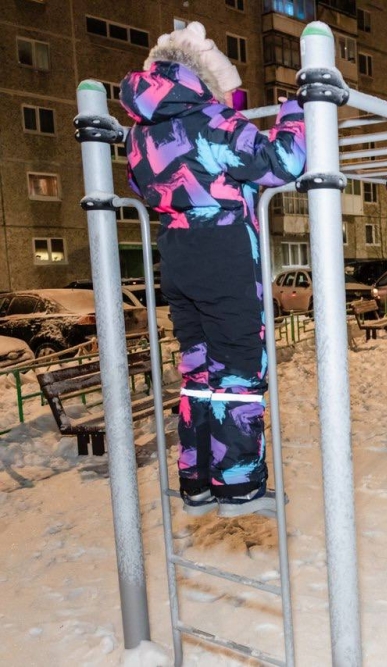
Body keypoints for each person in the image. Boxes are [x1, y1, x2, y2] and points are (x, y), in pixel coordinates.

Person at [120, 22, 307, 517]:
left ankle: (197, 480)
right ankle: (238, 487)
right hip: (223, 251)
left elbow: (140, 185)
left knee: (197, 372)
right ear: (206, 80)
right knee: (239, 368)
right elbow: (284, 162)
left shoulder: (139, 133)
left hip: (176, 253)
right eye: (227, 91)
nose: (229, 100)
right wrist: (295, 114)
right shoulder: (213, 121)